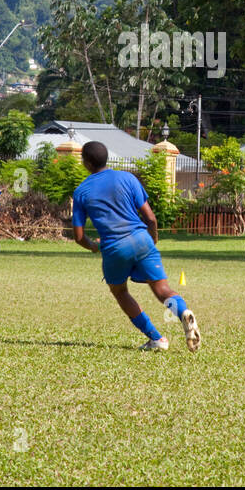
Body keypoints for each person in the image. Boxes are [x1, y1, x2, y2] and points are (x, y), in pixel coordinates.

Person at [72, 141, 200, 352]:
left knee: (120, 291)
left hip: (114, 247)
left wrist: (94, 246)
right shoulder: (127, 178)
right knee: (162, 289)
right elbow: (150, 218)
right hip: (142, 239)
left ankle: (157, 339)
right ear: (106, 159)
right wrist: (152, 240)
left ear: (86, 162)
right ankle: (184, 313)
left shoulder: (82, 191)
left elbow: (78, 236)